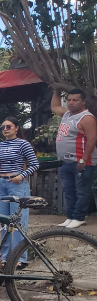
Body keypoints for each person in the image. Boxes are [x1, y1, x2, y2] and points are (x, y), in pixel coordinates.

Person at [0, 117, 39, 268]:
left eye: (8, 126)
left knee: (19, 221)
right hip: (1, 183)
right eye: (2, 127)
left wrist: (21, 176)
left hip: (17, 184)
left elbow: (35, 164)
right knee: (3, 220)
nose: (5, 129)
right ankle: (4, 256)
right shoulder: (0, 145)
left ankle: (20, 258)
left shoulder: (23, 144)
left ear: (16, 128)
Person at [51, 88, 97, 229]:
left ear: (83, 102)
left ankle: (79, 217)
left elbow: (92, 139)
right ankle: (70, 216)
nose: (71, 102)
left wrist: (84, 159)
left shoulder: (86, 118)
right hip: (67, 162)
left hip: (82, 162)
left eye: (75, 100)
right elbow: (55, 107)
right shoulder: (67, 115)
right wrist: (56, 90)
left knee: (82, 191)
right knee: (69, 191)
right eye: (69, 100)